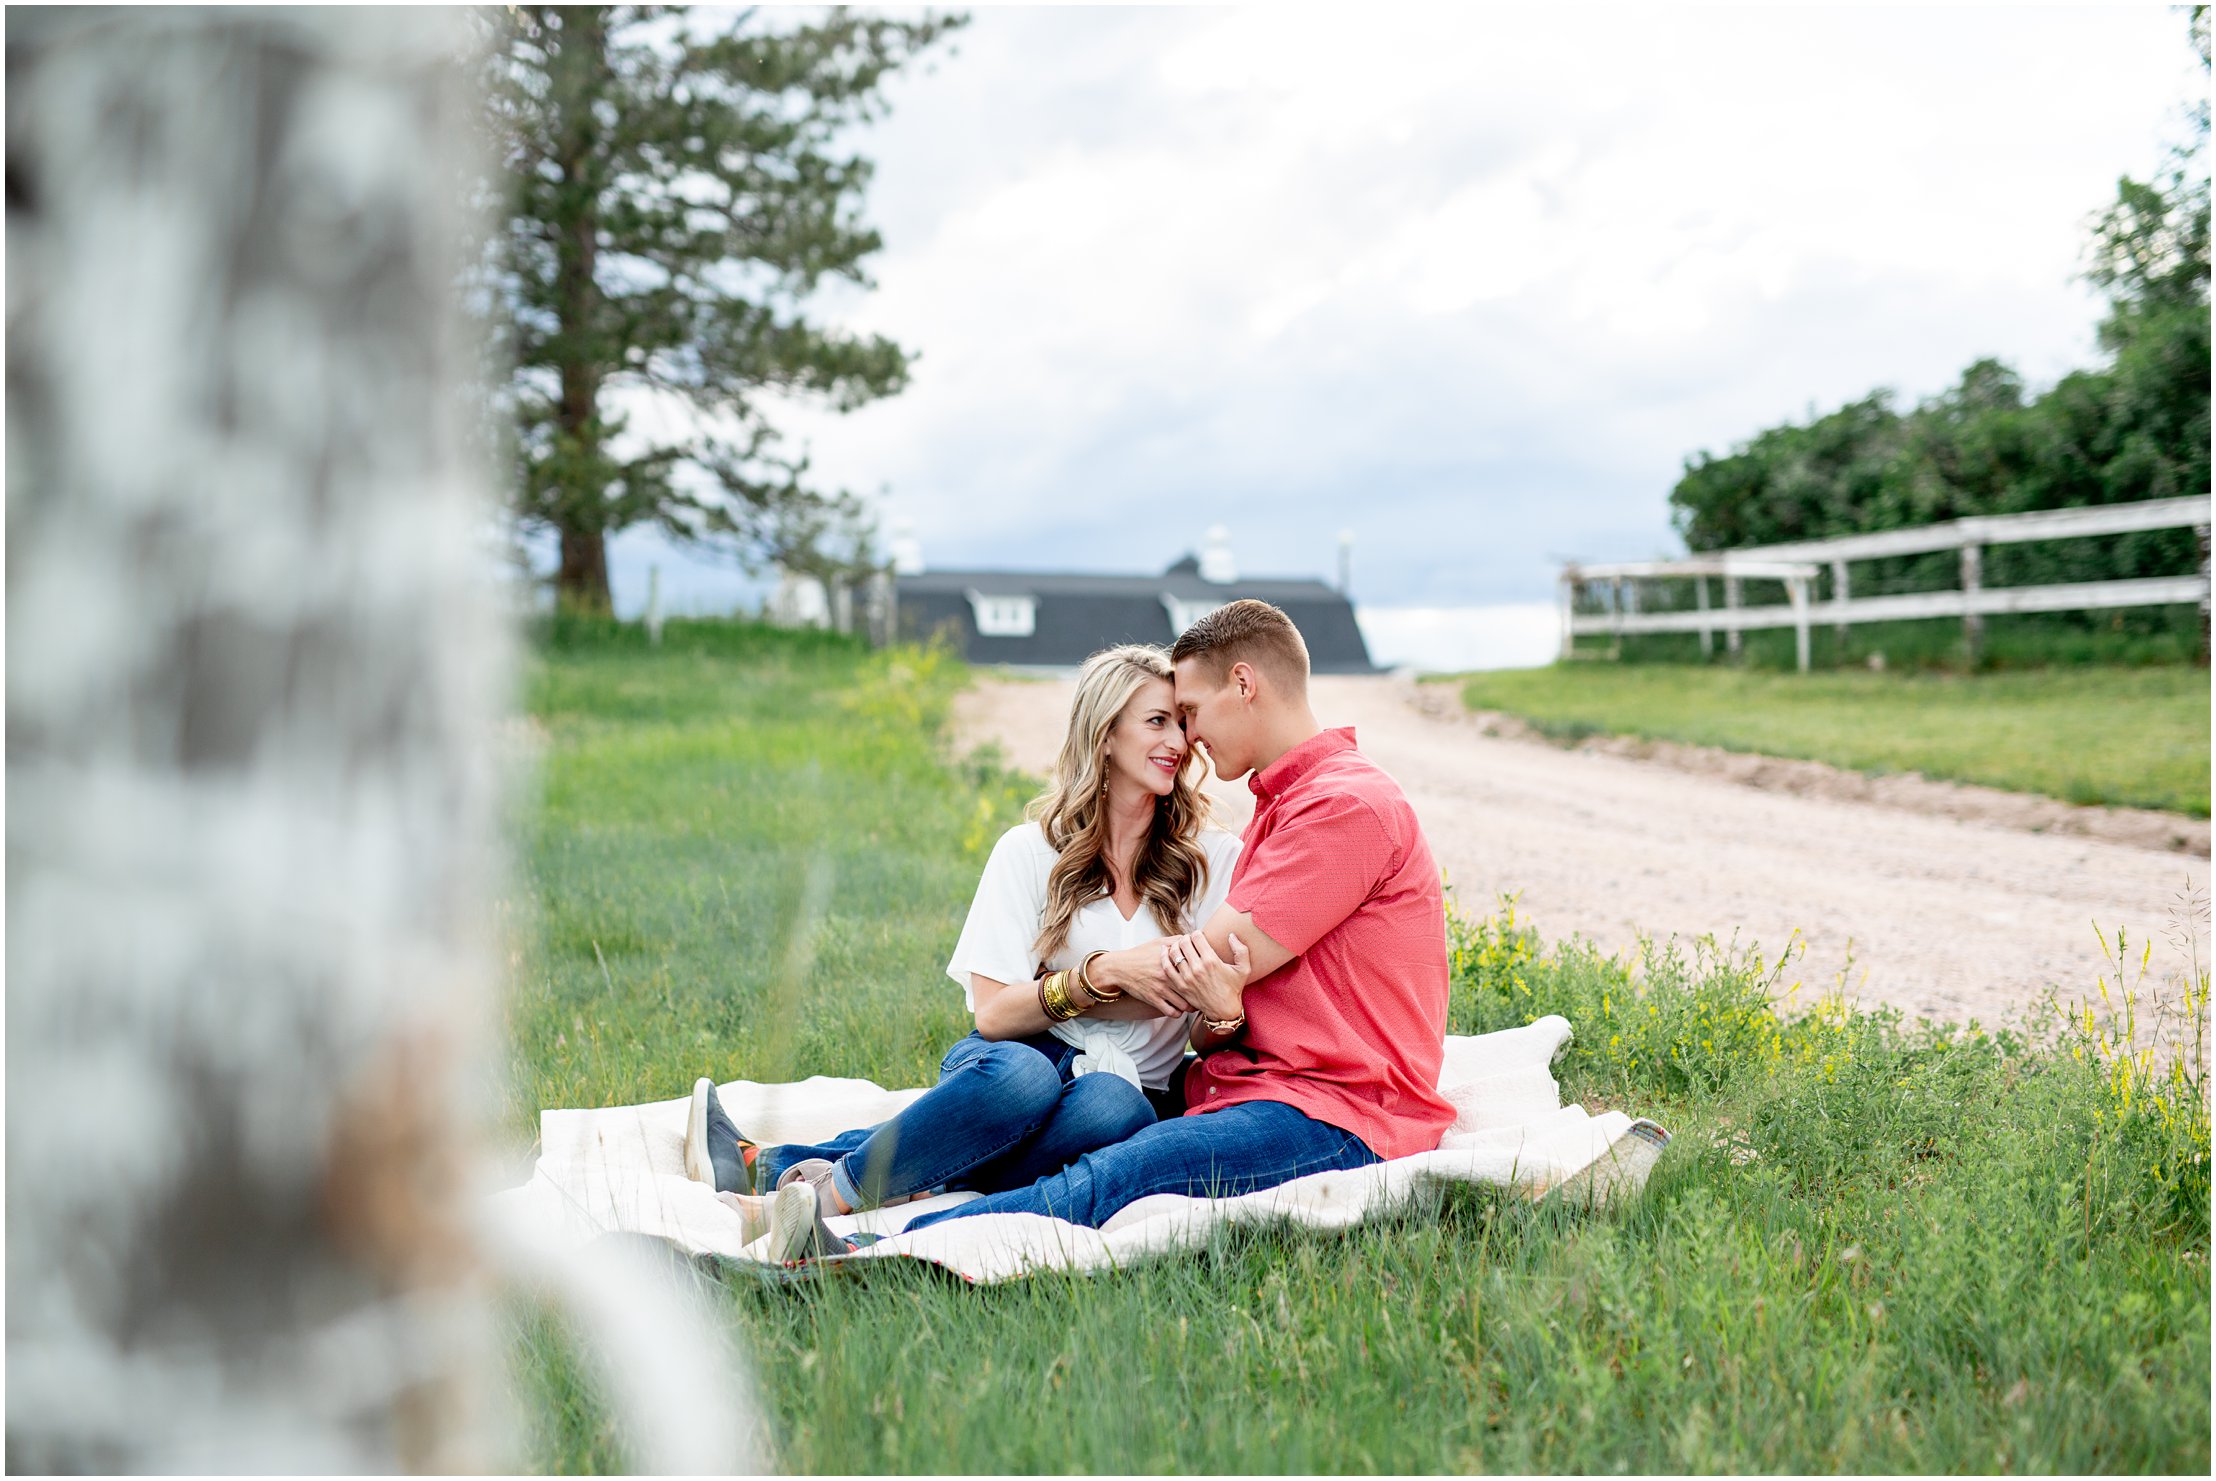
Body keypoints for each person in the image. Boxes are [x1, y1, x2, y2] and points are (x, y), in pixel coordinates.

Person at [891, 597, 1456, 1241]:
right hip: (1254, 1087)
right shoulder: (1285, 807)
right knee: (1057, 1115)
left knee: (1115, 1174)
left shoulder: (1342, 807)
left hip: (1339, 1110)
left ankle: (886, 1248)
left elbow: (1196, 975)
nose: (1187, 739)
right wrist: (1206, 1004)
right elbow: (1221, 1011)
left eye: (1187, 713)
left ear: (1243, 684)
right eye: (1167, 718)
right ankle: (834, 1179)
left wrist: (1106, 977)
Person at [682, 643, 1244, 1260]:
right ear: (1105, 734)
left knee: (1117, 1107)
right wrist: (1103, 974)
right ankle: (825, 1200)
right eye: (1156, 721)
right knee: (1024, 1079)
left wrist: (1214, 1010)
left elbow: (1205, 1006)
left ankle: (779, 1171)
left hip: (1127, 1091)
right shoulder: (1029, 852)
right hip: (1017, 1063)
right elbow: (996, 1015)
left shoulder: (1214, 862)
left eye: (1181, 724)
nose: (1178, 742)